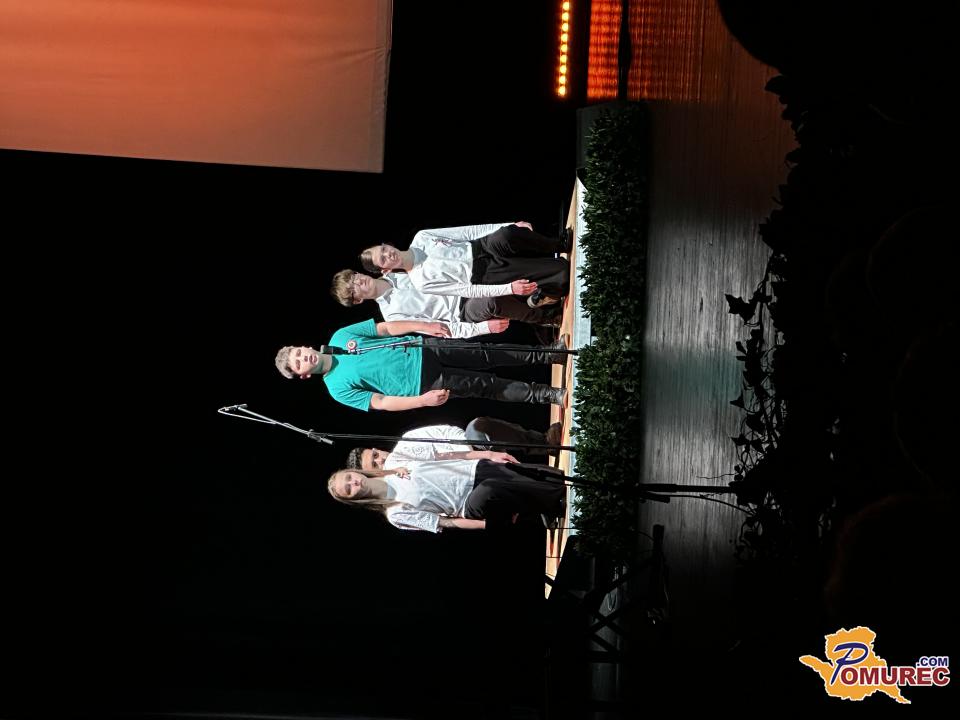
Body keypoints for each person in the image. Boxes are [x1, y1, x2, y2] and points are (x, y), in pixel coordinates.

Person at [274, 318, 568, 411]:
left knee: (486, 352)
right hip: (421, 383)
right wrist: (421, 401)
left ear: (305, 347)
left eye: (299, 353)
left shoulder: (341, 336)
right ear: (303, 375)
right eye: (298, 364)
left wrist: (423, 326)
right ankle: (547, 394)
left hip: (422, 347)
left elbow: (385, 328)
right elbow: (380, 402)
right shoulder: (337, 389)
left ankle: (547, 355)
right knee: (487, 386)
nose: (303, 358)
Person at [359, 222, 572, 318]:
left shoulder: (422, 237)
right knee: (562, 272)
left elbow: (467, 232)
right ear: (384, 270)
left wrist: (510, 225)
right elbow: (468, 290)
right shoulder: (421, 281)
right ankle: (546, 294)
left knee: (506, 234)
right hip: (485, 274)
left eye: (384, 249)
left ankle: (558, 244)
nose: (388, 254)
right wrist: (509, 288)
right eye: (383, 259)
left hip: (482, 247)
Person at [328, 458, 567, 532]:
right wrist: (488, 525)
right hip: (467, 502)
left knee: (549, 477)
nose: (353, 483)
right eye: (348, 489)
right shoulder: (395, 512)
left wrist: (485, 455)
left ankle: (557, 490)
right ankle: (556, 501)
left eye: (348, 477)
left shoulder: (394, 465)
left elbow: (442, 455)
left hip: (471, 472)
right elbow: (444, 522)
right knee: (489, 489)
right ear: (354, 499)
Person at [330, 268, 561, 334]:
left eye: (355, 277)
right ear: (358, 300)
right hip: (461, 309)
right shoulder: (392, 315)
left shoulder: (397, 270)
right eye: (354, 288)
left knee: (493, 272)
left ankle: (548, 290)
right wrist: (481, 328)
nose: (359, 282)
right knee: (491, 300)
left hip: (465, 281)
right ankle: (545, 317)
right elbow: (438, 329)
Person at [345, 420, 564, 471]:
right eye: (375, 465)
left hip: (471, 451)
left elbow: (447, 431)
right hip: (467, 479)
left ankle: (544, 444)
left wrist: (471, 454)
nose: (381, 459)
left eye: (375, 455)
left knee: (476, 427)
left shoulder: (408, 438)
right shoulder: (398, 487)